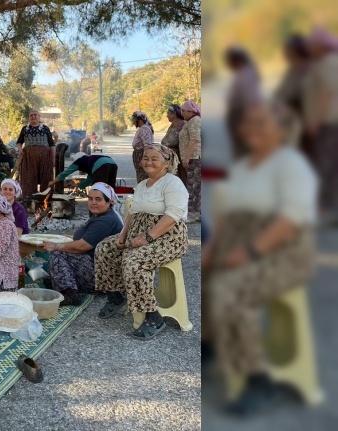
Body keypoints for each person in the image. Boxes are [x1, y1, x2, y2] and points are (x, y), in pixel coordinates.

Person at [202, 103, 317, 415]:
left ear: (281, 129)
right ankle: (211, 344)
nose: (251, 130)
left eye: (261, 124)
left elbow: (290, 219)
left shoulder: (291, 164)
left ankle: (258, 378)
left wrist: (251, 252)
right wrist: (211, 252)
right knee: (204, 277)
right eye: (248, 123)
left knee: (231, 288)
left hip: (284, 251)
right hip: (238, 242)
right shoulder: (242, 167)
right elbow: (226, 215)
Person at [95, 144, 188, 340]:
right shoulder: (142, 185)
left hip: (167, 238)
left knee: (135, 262)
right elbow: (132, 213)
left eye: (155, 158)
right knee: (105, 248)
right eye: (146, 158)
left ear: (166, 162)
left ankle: (153, 316)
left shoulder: (173, 183)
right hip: (138, 234)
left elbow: (173, 215)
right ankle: (117, 294)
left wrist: (147, 237)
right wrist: (123, 235)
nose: (149, 162)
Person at [43, 183, 123, 306]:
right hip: (98, 267)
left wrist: (56, 246)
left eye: (98, 199)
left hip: (102, 277)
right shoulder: (101, 215)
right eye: (90, 199)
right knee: (61, 256)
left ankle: (70, 294)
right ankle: (61, 282)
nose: (93, 202)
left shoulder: (106, 220)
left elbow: (82, 246)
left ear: (109, 202)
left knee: (58, 254)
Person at [303, 28, 338, 221]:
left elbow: (326, 93)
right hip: (326, 121)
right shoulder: (321, 63)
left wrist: (315, 121)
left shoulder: (328, 63)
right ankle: (325, 206)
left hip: (328, 122)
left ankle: (325, 208)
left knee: (326, 164)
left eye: (312, 44)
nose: (309, 48)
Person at [274, 35, 312, 160]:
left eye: (286, 49)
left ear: (294, 51)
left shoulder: (306, 68)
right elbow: (281, 92)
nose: (283, 53)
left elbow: (302, 94)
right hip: (290, 120)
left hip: (303, 122)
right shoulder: (293, 68)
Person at [225, 46, 262, 159]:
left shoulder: (246, 74)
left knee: (244, 146)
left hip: (242, 114)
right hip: (241, 113)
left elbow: (250, 99)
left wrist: (246, 121)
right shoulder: (245, 73)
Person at [16, 110, 55, 198]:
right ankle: (29, 199)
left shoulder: (45, 128)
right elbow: (19, 142)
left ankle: (45, 198)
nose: (33, 117)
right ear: (29, 118)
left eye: (35, 115)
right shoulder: (25, 128)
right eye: (31, 115)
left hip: (44, 157)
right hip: (28, 158)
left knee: (46, 178)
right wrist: (20, 149)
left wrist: (53, 158)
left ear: (39, 116)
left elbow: (52, 144)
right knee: (29, 178)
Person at [179, 100, 202, 221]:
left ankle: (194, 213)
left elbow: (194, 140)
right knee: (193, 185)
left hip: (195, 157)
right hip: (191, 157)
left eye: (183, 110)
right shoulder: (190, 121)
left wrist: (187, 157)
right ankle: (194, 212)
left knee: (195, 186)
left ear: (191, 111)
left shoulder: (195, 121)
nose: (181, 113)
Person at [49, 152, 118, 190]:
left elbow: (65, 173)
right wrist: (79, 185)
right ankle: (110, 206)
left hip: (101, 165)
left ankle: (99, 212)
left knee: (99, 189)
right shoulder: (91, 162)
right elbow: (89, 181)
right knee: (110, 187)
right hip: (113, 164)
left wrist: (52, 182)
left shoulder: (79, 161)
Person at [161, 104, 188, 187]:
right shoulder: (172, 124)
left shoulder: (183, 124)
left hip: (178, 158)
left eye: (168, 113)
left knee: (179, 180)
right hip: (169, 156)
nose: (166, 115)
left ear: (174, 114)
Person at [130, 111, 155, 183]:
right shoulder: (142, 128)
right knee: (140, 176)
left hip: (142, 155)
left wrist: (144, 159)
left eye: (134, 119)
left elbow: (147, 145)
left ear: (139, 120)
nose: (133, 122)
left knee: (143, 177)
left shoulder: (144, 129)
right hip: (139, 155)